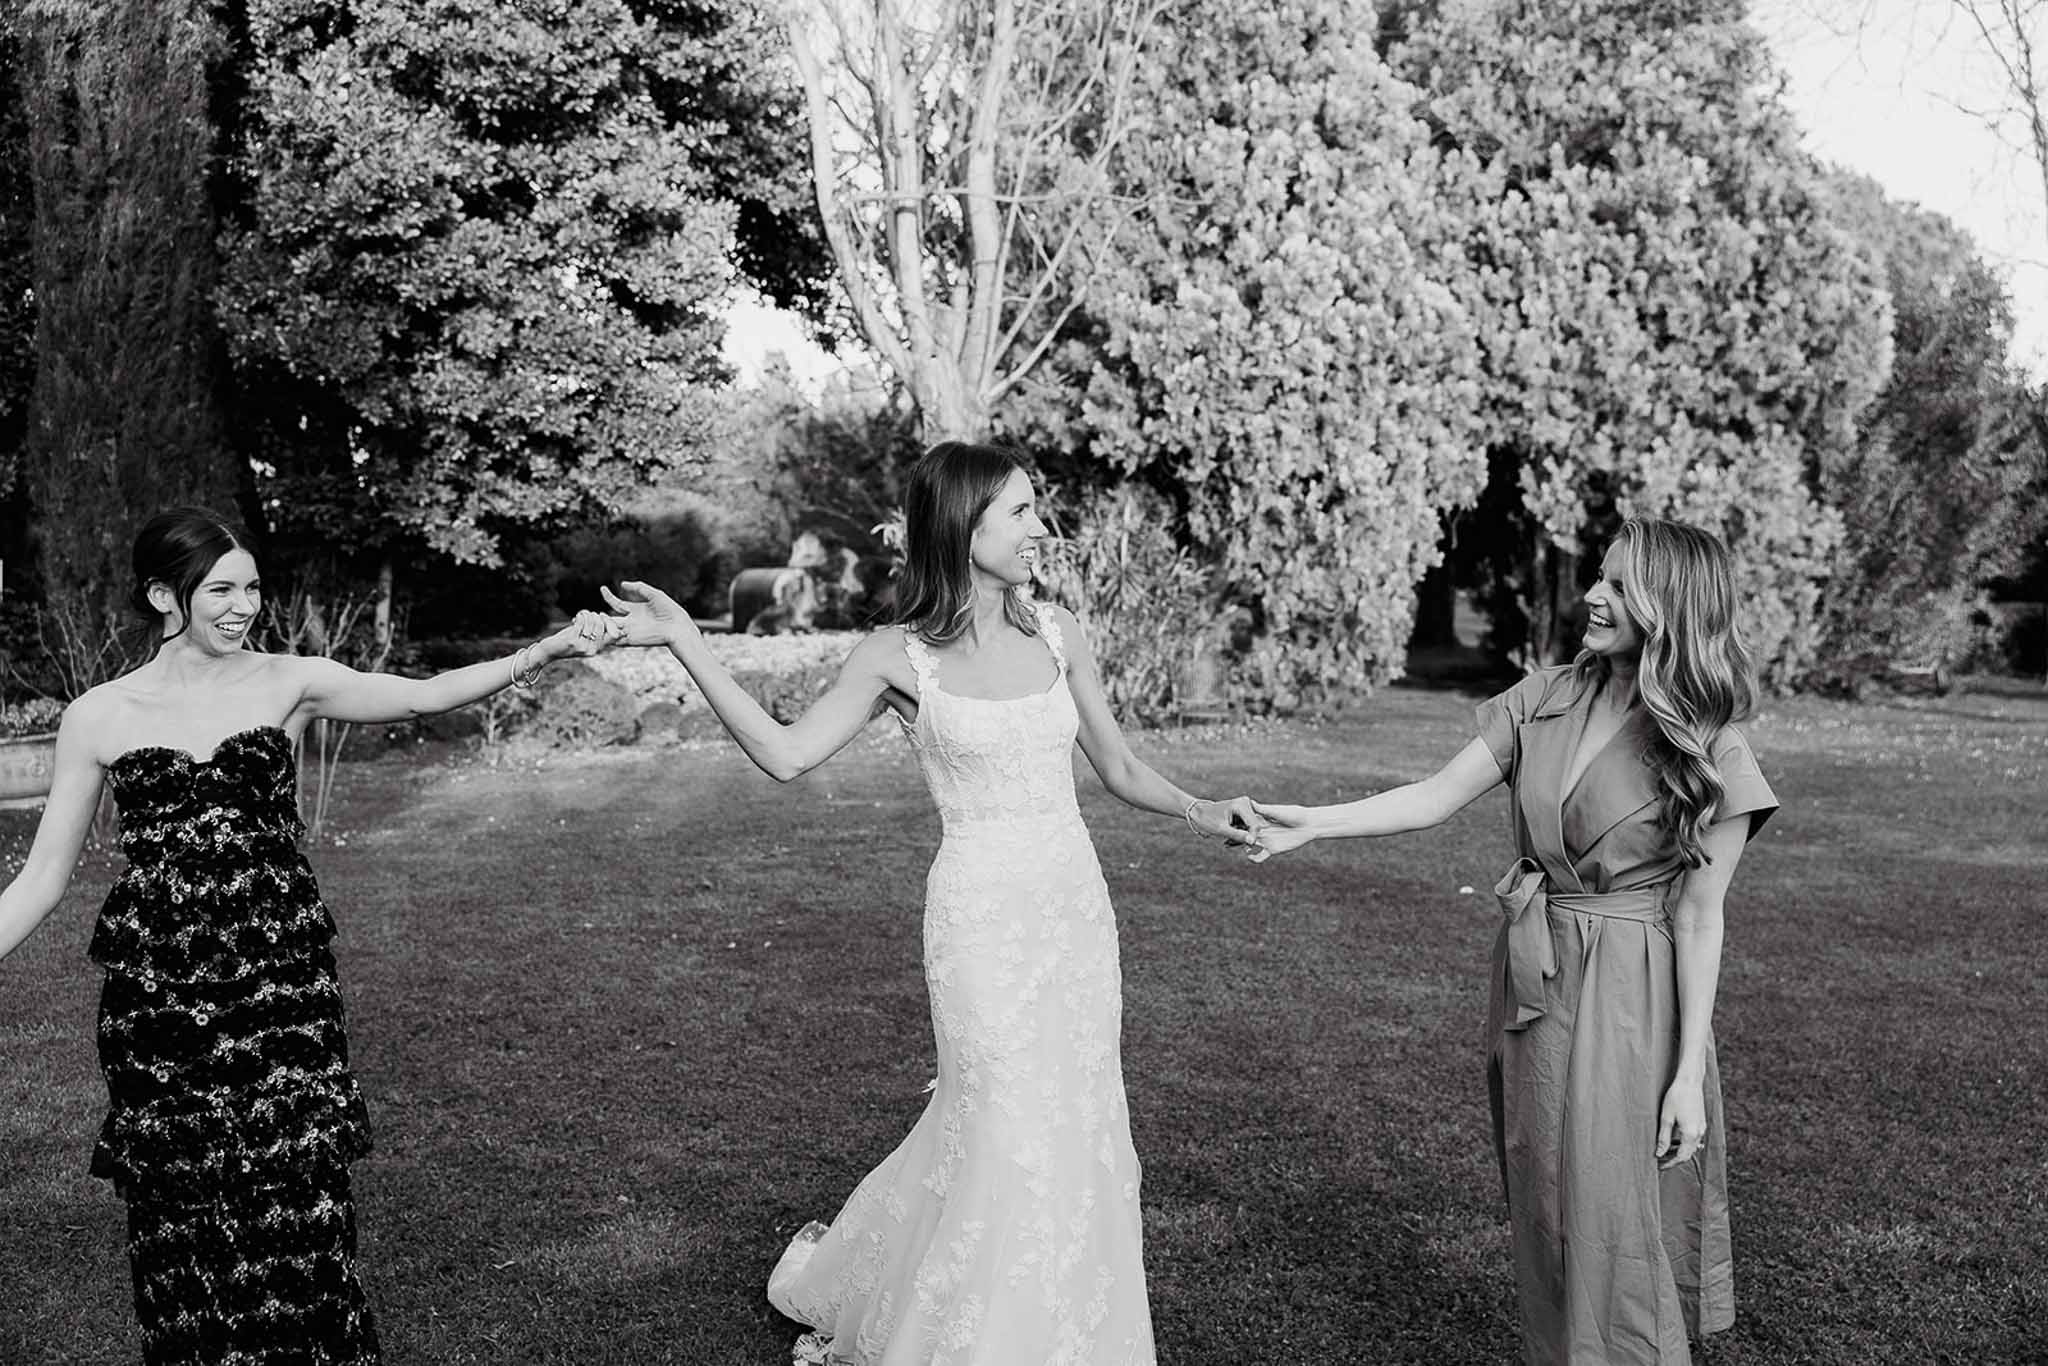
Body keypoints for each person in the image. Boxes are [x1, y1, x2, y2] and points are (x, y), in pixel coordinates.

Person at [599, 441, 1258, 1365]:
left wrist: (1202, 808)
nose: (1041, 529)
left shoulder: (1061, 633)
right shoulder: (894, 656)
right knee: (996, 1118)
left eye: (1037, 510)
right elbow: (787, 755)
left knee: (1078, 1115)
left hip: (1072, 911)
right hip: (978, 921)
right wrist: (687, 645)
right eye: (1022, 513)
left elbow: (1116, 766)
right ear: (965, 526)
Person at [0, 507, 620, 1364]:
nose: (242, 606)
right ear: (161, 596)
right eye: (220, 589)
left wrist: (543, 653)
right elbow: (40, 878)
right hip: (158, 1013)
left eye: (251, 587)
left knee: (298, 1203)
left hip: (280, 994)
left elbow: (423, 693)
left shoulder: (291, 681)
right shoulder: (99, 714)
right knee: (184, 1220)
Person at [1249, 517, 1777, 1365]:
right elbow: (1430, 796)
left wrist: (1687, 1080)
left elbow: (1699, 914)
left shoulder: (1712, 747)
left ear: (1671, 606)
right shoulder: (1546, 695)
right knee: (1545, 1198)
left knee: (1612, 1209)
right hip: (1536, 980)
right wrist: (1311, 824)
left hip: (1634, 996)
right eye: (1597, 577)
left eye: (1618, 585)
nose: (1593, 597)